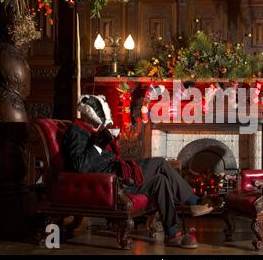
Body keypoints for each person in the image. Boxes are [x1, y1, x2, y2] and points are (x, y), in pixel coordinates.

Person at [62, 94, 222, 249]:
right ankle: (193, 201)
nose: (101, 124)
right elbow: (79, 166)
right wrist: (99, 145)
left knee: (161, 180)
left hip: (117, 173)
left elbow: (104, 156)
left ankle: (173, 233)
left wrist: (105, 142)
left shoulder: (92, 131)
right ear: (88, 114)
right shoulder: (76, 131)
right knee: (160, 163)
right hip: (110, 181)